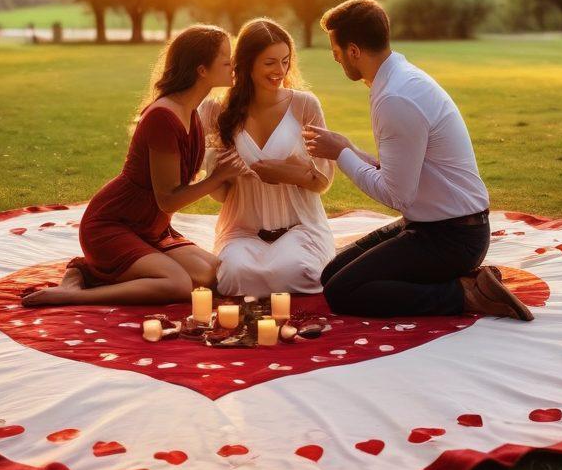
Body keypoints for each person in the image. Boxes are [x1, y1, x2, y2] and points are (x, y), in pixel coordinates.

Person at [303, 0, 533, 321]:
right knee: (332, 276)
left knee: (342, 292)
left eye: (337, 53)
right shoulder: (397, 79)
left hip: (453, 238)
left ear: (354, 50)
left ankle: (465, 294)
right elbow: (397, 172)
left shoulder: (396, 97)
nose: (335, 59)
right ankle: (459, 281)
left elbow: (397, 195)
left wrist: (341, 155)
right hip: (433, 225)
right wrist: (349, 148)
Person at [22, 25, 244, 307]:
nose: (233, 64)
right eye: (226, 58)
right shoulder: (164, 117)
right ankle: (77, 294)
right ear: (202, 69)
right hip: (112, 225)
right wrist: (218, 177)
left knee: (212, 274)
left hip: (151, 228)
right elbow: (167, 200)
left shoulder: (192, 112)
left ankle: (88, 271)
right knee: (177, 284)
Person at [200, 18, 335, 297]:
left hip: (300, 226)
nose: (280, 71)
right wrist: (217, 174)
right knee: (233, 279)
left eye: (285, 61)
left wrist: (284, 173)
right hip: (242, 229)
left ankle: (295, 257)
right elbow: (222, 195)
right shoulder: (216, 111)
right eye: (270, 62)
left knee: (297, 273)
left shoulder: (304, 105)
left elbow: (323, 181)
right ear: (247, 63)